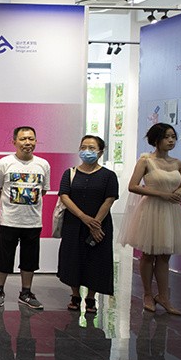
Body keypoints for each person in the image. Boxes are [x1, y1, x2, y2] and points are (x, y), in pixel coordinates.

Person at [120, 123, 181, 315]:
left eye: (173, 137)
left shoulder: (178, 163)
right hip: (151, 209)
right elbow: (133, 186)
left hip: (171, 211)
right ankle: (148, 295)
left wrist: (179, 192)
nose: (171, 140)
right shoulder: (146, 161)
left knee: (165, 255)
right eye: (167, 137)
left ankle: (164, 297)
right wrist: (162, 194)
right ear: (156, 139)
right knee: (148, 254)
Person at [0, 126, 51, 310]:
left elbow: (43, 191)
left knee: (30, 260)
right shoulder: (4, 163)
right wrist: (5, 207)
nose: (27, 143)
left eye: (31, 139)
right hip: (9, 220)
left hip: (33, 222)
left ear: (36, 141)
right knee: (3, 258)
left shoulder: (43, 165)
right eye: (23, 139)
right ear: (14, 142)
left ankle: (26, 292)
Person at [57, 135, 118, 314]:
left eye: (92, 148)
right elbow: (64, 196)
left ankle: (91, 297)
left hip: (100, 224)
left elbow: (109, 199)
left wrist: (95, 224)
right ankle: (75, 295)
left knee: (96, 259)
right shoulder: (70, 173)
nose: (87, 151)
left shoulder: (108, 175)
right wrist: (83, 217)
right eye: (83, 147)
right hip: (74, 224)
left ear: (100, 152)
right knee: (72, 258)